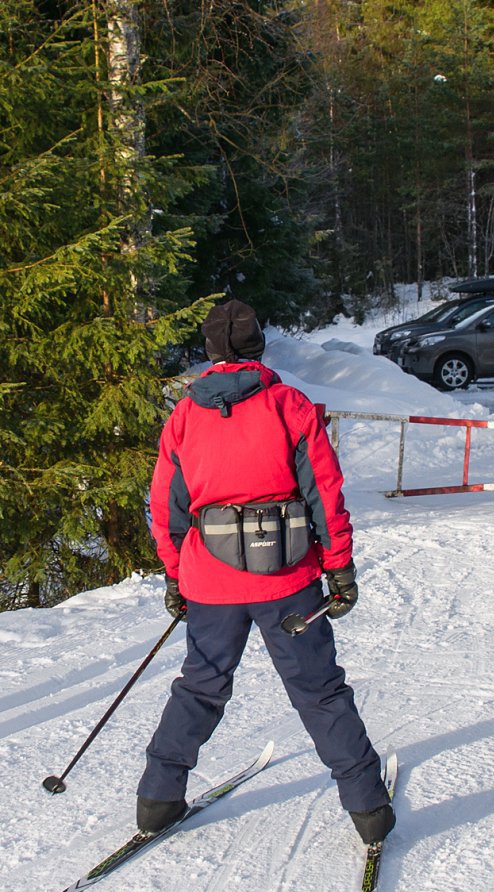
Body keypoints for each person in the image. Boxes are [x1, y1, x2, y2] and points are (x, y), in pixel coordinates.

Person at [140, 297, 394, 847]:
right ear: (258, 345)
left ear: (208, 351)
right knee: (319, 691)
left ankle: (157, 799)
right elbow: (324, 495)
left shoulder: (185, 416)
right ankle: (368, 808)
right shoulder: (289, 405)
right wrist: (340, 569)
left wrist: (175, 575)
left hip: (210, 583)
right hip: (287, 582)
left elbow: (167, 506)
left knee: (200, 687)